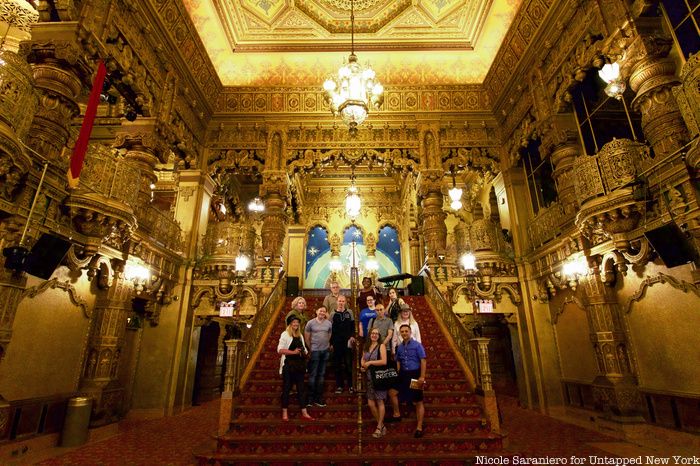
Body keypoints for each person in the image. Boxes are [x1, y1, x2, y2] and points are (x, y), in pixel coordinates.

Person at [389, 324, 427, 437]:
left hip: (414, 374)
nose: (404, 333)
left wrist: (422, 377)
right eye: (402, 331)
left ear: (410, 332)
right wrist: (398, 370)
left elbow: (423, 361)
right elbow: (398, 360)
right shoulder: (399, 347)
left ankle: (419, 427)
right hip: (403, 374)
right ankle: (397, 414)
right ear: (400, 333)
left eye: (406, 331)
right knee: (392, 392)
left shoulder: (417, 346)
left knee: (418, 401)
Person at [277, 315, 314, 421]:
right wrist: (293, 352)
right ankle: (284, 412)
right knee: (287, 388)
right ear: (290, 323)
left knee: (301, 389)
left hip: (299, 366)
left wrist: (304, 352)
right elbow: (280, 350)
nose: (296, 324)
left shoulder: (300, 335)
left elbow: (304, 349)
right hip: (288, 365)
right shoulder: (285, 334)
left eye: (297, 323)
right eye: (294, 322)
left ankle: (304, 411)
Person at [360, 327, 388, 438]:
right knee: (371, 403)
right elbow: (363, 359)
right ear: (370, 335)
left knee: (380, 402)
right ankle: (381, 426)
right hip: (369, 378)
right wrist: (363, 366)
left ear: (379, 336)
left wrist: (370, 362)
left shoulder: (381, 346)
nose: (374, 335)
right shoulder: (366, 346)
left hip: (379, 377)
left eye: (376, 333)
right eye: (372, 333)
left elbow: (384, 361)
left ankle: (379, 427)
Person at [304, 306, 332, 407]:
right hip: (315, 351)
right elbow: (306, 336)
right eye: (320, 311)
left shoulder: (328, 323)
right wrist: (310, 347)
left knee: (321, 375)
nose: (322, 313)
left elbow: (329, 334)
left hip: (325, 351)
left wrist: (326, 344)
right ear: (316, 312)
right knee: (313, 375)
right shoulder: (310, 323)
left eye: (324, 311)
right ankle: (310, 398)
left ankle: (318, 398)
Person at [330, 295, 355, 394]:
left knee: (348, 364)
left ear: (345, 302)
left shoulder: (350, 312)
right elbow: (330, 330)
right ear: (337, 302)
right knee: (337, 365)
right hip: (336, 342)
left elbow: (353, 326)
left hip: (347, 342)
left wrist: (352, 336)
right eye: (339, 301)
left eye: (343, 301)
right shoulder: (332, 314)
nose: (341, 303)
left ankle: (350, 385)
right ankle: (339, 385)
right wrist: (331, 343)